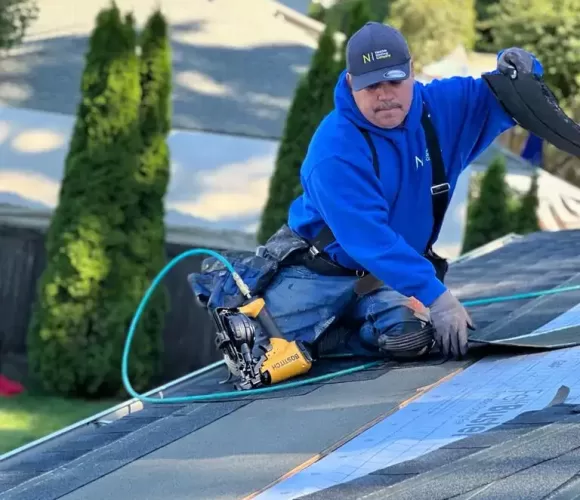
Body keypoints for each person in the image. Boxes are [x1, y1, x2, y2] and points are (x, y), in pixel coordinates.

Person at [191, 21, 543, 364]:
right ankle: (310, 320)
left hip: (381, 278)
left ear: (411, 73)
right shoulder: (335, 150)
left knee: (409, 339)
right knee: (257, 353)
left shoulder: (440, 108)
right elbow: (370, 239)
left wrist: (522, 66)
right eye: (371, 86)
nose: (385, 95)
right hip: (318, 274)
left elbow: (508, 93)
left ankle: (342, 332)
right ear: (350, 83)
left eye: (394, 81)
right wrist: (439, 299)